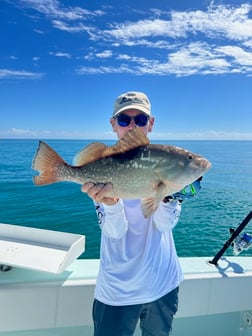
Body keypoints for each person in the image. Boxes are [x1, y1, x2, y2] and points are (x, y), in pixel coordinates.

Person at [82, 91, 200, 336]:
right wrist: (111, 204)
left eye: (140, 119)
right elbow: (114, 231)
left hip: (163, 285)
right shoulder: (104, 165)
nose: (132, 125)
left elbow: (164, 224)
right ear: (113, 125)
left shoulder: (165, 161)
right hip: (117, 292)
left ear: (151, 123)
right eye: (124, 120)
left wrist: (168, 195)